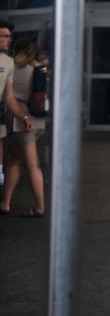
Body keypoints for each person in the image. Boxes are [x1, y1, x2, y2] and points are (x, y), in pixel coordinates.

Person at [0, 38, 46, 217]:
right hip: (34, 119)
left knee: (30, 164)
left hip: (18, 120)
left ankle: (39, 207)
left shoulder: (13, 68)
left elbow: (7, 97)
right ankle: (5, 202)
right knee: (14, 160)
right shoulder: (38, 69)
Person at [0, 21, 34, 213]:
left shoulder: (8, 62)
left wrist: (24, 117)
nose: (8, 40)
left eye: (9, 36)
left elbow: (9, 97)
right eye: (4, 36)